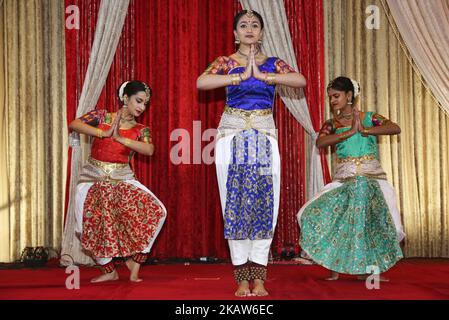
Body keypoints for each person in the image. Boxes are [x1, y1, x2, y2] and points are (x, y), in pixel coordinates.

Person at [197, 9, 306, 297]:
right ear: (235, 34)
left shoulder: (272, 63)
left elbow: (301, 81)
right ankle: (241, 278)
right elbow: (202, 82)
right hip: (231, 137)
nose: (248, 29)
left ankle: (259, 277)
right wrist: (237, 78)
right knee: (233, 204)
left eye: (254, 25)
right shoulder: (225, 62)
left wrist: (265, 76)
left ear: (261, 32)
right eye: (243, 25)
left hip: (263, 138)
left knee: (264, 204)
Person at [297, 76, 405, 281]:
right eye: (330, 97)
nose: (332, 101)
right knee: (316, 216)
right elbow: (320, 143)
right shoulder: (332, 123)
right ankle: (334, 266)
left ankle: (372, 271)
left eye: (336, 96)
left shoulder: (369, 117)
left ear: (349, 95)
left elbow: (394, 127)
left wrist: (365, 130)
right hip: (344, 180)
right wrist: (349, 133)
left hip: (372, 178)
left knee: (377, 223)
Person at [69, 80, 167, 283]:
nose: (142, 107)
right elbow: (74, 124)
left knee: (159, 212)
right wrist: (103, 133)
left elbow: (149, 150)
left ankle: (135, 264)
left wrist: (121, 139)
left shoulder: (142, 129)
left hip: (122, 180)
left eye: (145, 104)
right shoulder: (102, 116)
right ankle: (109, 270)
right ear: (125, 98)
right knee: (83, 229)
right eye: (138, 101)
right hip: (92, 179)